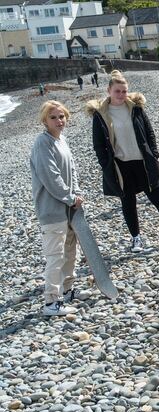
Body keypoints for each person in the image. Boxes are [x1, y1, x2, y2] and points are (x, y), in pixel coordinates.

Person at [87, 70, 159, 253]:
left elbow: (149, 132)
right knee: (128, 203)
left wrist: (154, 153)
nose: (121, 95)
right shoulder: (100, 115)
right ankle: (136, 240)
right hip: (120, 166)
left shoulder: (136, 108)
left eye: (124, 91)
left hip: (143, 163)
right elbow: (98, 145)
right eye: (117, 91)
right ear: (109, 90)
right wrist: (105, 164)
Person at [30, 101, 84, 316]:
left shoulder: (61, 140)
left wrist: (77, 194)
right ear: (44, 120)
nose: (59, 120)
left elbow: (72, 170)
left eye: (61, 116)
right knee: (55, 256)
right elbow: (50, 177)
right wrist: (70, 197)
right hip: (52, 211)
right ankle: (51, 302)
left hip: (70, 209)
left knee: (71, 252)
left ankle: (67, 290)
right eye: (53, 117)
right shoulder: (42, 143)